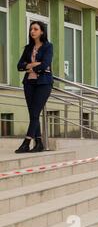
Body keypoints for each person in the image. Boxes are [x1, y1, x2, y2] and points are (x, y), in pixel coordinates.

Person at [15, 21, 54, 154]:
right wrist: (33, 65)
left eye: (36, 29)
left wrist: (30, 66)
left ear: (42, 32)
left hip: (43, 84)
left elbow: (45, 65)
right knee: (33, 114)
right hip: (29, 84)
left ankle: (26, 142)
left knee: (35, 113)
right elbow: (19, 66)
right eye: (31, 29)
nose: (32, 31)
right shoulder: (28, 48)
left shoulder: (48, 47)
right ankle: (38, 143)